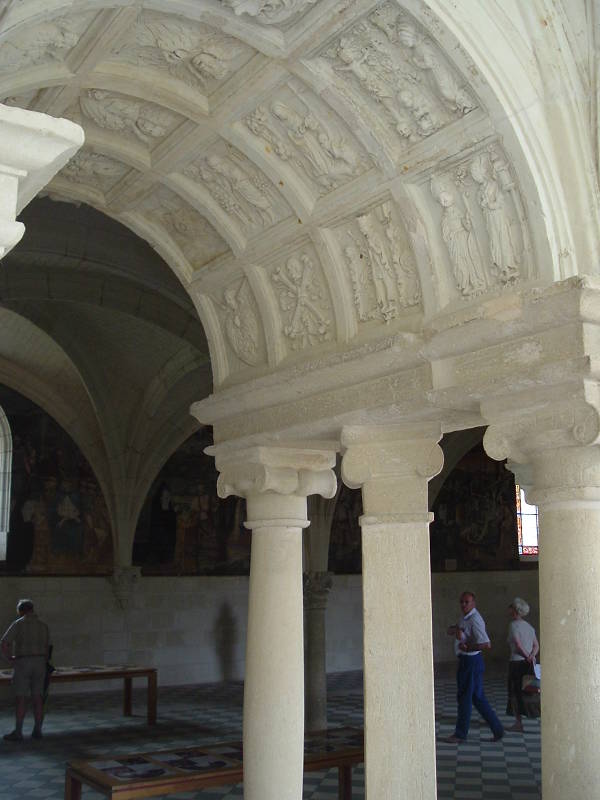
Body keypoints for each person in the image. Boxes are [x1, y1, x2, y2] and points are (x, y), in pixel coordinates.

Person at [444, 591, 504, 743]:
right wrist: (455, 630)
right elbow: (458, 629)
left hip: (470, 662)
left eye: (467, 602)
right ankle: (498, 729)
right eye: (462, 602)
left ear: (473, 603)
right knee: (477, 698)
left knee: (464, 698)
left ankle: (460, 734)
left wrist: (468, 648)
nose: (463, 604)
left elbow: (486, 644)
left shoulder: (475, 619)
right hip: (468, 662)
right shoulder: (466, 618)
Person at [0, 599, 50, 741]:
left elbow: (4, 643)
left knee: (21, 697)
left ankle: (18, 731)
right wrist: (43, 660)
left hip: (23, 661)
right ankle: (38, 730)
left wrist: (9, 659)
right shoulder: (43, 625)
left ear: (21, 611)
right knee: (38, 697)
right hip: (40, 662)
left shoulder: (19, 623)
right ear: (32, 609)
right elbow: (48, 647)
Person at [506, 597, 539, 731]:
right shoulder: (529, 627)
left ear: (514, 610)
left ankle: (518, 723)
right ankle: (528, 718)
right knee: (526, 691)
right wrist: (531, 656)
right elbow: (536, 645)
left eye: (511, 607)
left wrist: (527, 657)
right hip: (528, 663)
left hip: (516, 663)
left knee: (514, 691)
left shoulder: (513, 625)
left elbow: (518, 645)